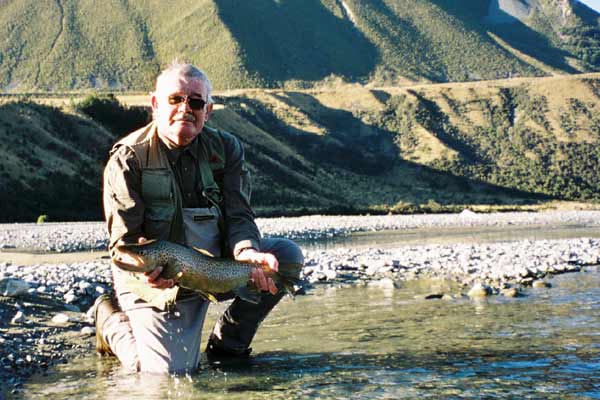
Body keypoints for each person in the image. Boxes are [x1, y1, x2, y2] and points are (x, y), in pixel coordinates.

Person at [95, 61, 304, 374]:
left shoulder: (227, 148)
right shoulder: (129, 158)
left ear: (208, 111)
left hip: (216, 265)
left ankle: (227, 344)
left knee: (285, 257)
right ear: (154, 104)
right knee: (165, 376)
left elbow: (239, 215)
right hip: (158, 284)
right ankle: (111, 319)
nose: (185, 109)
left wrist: (248, 253)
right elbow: (123, 246)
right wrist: (150, 275)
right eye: (175, 99)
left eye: (195, 102)